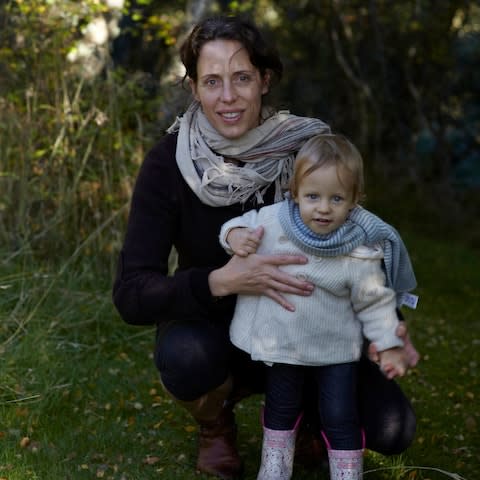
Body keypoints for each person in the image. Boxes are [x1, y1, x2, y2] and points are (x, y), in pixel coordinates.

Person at [112, 14, 420, 480]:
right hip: (218, 335)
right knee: (186, 356)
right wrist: (219, 281)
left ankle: (311, 419)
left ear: (265, 80)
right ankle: (216, 424)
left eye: (242, 78)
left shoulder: (311, 151)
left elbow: (359, 243)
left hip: (311, 327)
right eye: (211, 81)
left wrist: (388, 327)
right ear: (192, 87)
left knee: (391, 429)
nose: (228, 97)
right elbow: (132, 293)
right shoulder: (168, 164)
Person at [219, 133, 418, 479]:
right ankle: (276, 465)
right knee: (281, 406)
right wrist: (235, 237)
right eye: (313, 196)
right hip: (284, 344)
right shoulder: (274, 220)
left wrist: (389, 342)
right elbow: (236, 226)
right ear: (294, 193)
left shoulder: (359, 249)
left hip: (335, 349)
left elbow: (375, 301)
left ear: (355, 201)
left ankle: (346, 470)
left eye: (336, 199)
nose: (323, 208)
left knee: (340, 413)